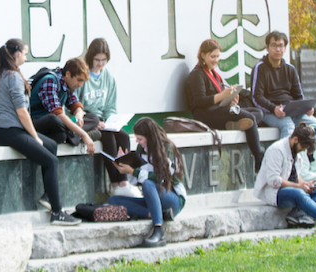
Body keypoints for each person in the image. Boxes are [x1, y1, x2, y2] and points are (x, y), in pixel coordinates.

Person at [0, 38, 83, 226]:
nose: (26, 58)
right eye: (25, 54)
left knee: (51, 144)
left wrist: (37, 137)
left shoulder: (4, 73)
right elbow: (22, 112)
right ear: (17, 54)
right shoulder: (13, 76)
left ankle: (48, 196)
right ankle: (57, 213)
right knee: (51, 161)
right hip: (10, 131)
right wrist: (35, 136)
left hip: (9, 129)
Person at [253, 122, 316, 234]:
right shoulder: (276, 150)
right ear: (295, 139)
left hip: (295, 190)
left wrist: (305, 184)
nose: (303, 150)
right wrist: (299, 187)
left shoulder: (297, 150)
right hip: (275, 192)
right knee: (299, 193)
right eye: (303, 147)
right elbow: (273, 181)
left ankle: (299, 214)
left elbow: (295, 174)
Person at [184, 38, 265, 168]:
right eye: (212, 56)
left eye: (217, 57)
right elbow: (200, 101)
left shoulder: (214, 73)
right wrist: (223, 95)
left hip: (219, 110)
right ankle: (259, 158)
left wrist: (231, 100)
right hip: (205, 114)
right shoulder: (197, 74)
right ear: (203, 55)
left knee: (258, 113)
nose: (216, 60)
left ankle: (232, 124)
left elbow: (219, 99)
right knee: (250, 118)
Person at [107, 117, 187, 248]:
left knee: (148, 183)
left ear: (149, 137)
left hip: (173, 199)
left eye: (140, 138)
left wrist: (133, 171)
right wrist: (126, 164)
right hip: (152, 199)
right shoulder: (141, 148)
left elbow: (162, 178)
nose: (137, 141)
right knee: (114, 200)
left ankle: (159, 230)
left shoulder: (167, 148)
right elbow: (136, 181)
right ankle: (157, 214)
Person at [78, 38, 136, 196]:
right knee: (109, 139)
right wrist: (93, 121)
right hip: (89, 120)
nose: (100, 63)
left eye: (103, 60)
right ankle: (115, 184)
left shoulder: (108, 77)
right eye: (97, 60)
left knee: (123, 136)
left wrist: (111, 121)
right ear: (91, 57)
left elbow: (110, 106)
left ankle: (124, 181)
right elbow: (75, 105)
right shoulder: (83, 75)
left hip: (104, 122)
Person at [251, 31, 316, 140]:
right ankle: (286, 152)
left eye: (281, 46)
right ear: (267, 48)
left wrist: (306, 108)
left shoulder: (290, 69)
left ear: (285, 48)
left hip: (291, 110)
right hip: (269, 112)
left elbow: (298, 95)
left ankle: (313, 152)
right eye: (274, 46)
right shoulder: (260, 68)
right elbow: (256, 97)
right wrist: (274, 108)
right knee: (288, 125)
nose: (278, 49)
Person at [28, 57, 98, 155]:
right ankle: (76, 135)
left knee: (94, 118)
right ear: (68, 74)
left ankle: (72, 134)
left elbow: (76, 104)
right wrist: (84, 134)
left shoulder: (67, 84)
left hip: (58, 123)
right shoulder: (49, 81)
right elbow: (57, 113)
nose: (81, 85)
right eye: (79, 80)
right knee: (54, 120)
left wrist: (79, 115)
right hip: (36, 121)